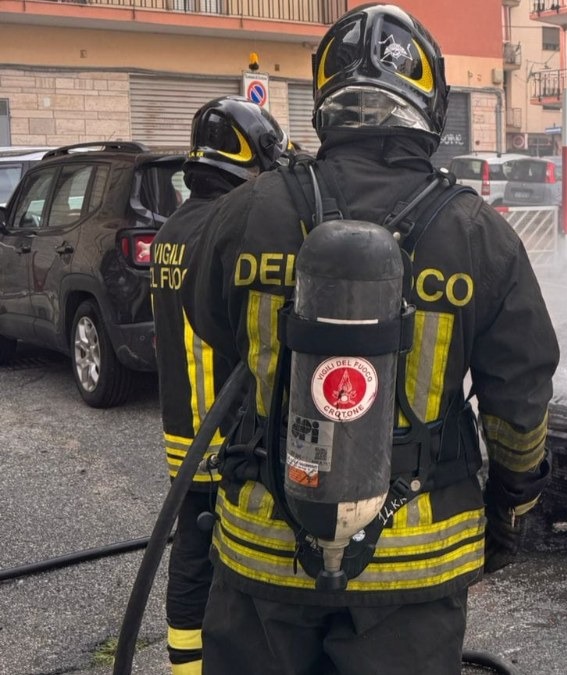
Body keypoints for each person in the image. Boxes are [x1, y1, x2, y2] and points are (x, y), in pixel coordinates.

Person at [181, 4, 559, 673]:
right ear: (429, 103)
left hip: (262, 558)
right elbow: (519, 406)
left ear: (326, 101)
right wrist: (508, 510)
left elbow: (212, 322)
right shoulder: (478, 233)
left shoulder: (247, 209)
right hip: (413, 572)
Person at [150, 96, 289, 675]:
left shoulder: (173, 229)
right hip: (227, 429)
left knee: (191, 548)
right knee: (234, 559)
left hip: (182, 427)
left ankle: (186, 666)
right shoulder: (227, 228)